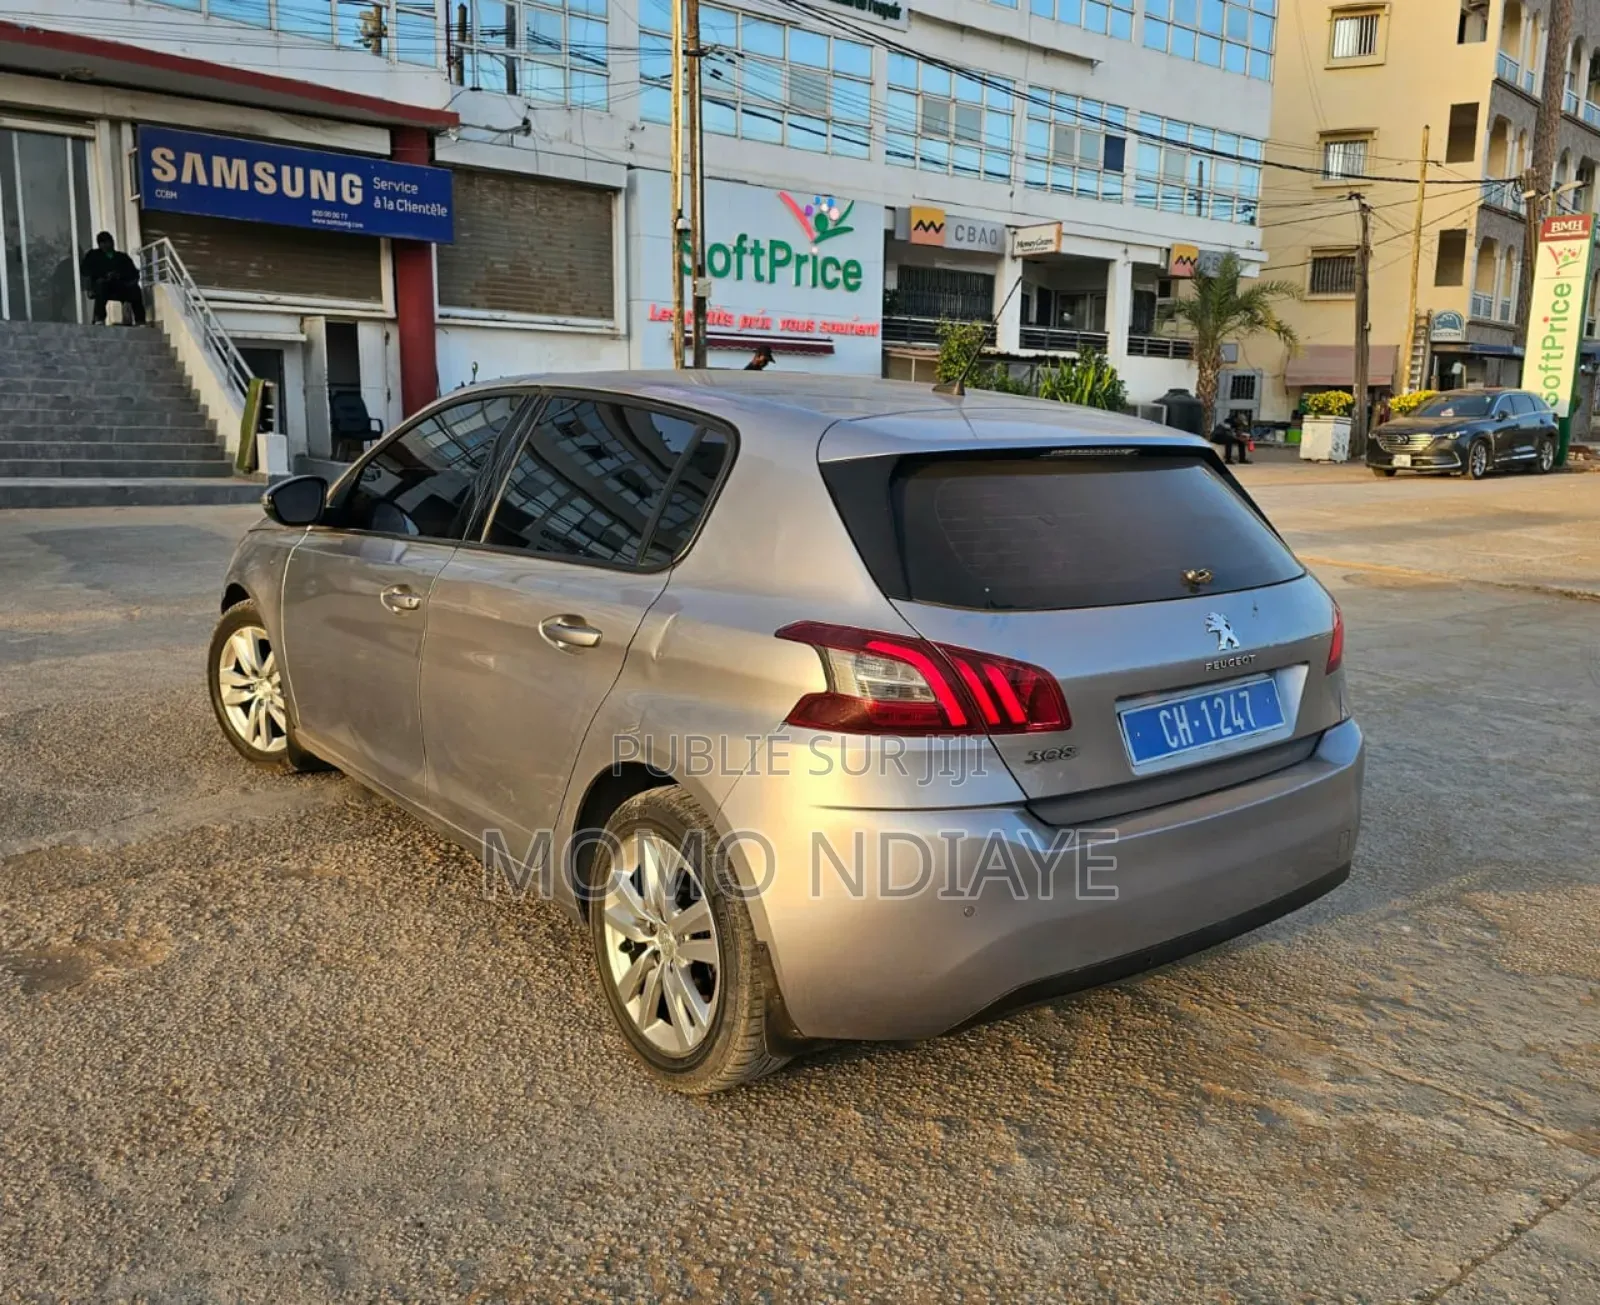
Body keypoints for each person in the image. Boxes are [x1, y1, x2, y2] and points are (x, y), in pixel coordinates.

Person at [80, 231, 144, 326]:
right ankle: (99, 318)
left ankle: (140, 320)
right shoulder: (94, 255)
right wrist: (103, 276)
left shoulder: (122, 257)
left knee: (135, 290)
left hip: (119, 285)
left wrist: (119, 275)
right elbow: (85, 270)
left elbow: (133, 273)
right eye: (104, 243)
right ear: (100, 244)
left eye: (109, 242)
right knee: (102, 285)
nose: (108, 245)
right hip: (102, 284)